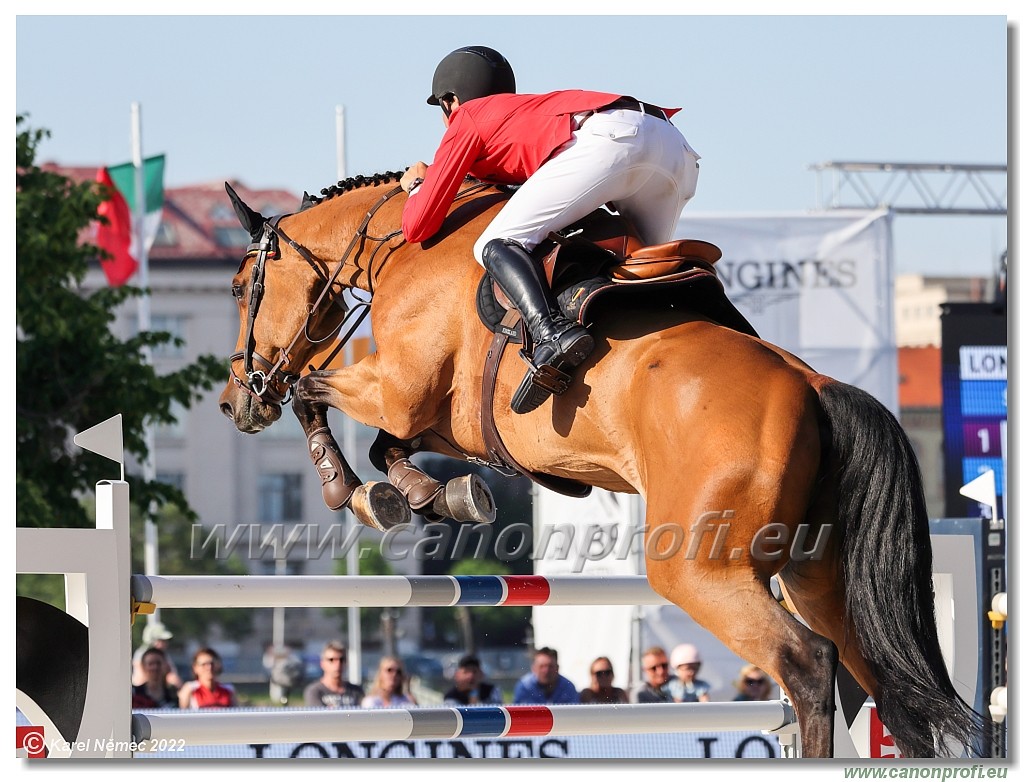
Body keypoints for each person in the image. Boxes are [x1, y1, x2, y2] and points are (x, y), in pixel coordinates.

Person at [400, 45, 700, 415]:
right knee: (650, 276)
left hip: (614, 140)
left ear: (451, 101)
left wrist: (416, 185)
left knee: (495, 242)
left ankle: (551, 333)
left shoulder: (469, 116)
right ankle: (708, 331)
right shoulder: (518, 114)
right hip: (675, 148)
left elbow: (418, 225)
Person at [304, 641, 366, 708]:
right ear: (322, 663)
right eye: (331, 660)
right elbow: (320, 717)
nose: (337, 664)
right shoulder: (314, 691)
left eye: (341, 660)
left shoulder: (356, 691)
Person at [512, 647, 579, 704]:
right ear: (533, 668)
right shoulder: (524, 687)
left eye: (550, 666)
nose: (546, 671)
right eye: (541, 666)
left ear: (557, 668)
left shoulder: (568, 687)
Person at [131, 620, 182, 688]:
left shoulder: (163, 655)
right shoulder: (141, 655)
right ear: (151, 640)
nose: (165, 644)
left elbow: (172, 676)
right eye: (161, 641)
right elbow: (142, 679)